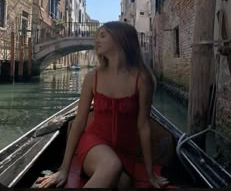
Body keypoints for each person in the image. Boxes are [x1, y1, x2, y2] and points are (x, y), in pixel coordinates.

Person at [36, 21, 169, 188]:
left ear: (122, 40)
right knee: (111, 165)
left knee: (122, 184)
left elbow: (144, 126)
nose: (96, 40)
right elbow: (79, 123)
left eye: (103, 35)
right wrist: (64, 169)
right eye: (97, 36)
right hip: (93, 144)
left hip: (125, 152)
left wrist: (150, 174)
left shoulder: (142, 79)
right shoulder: (93, 77)